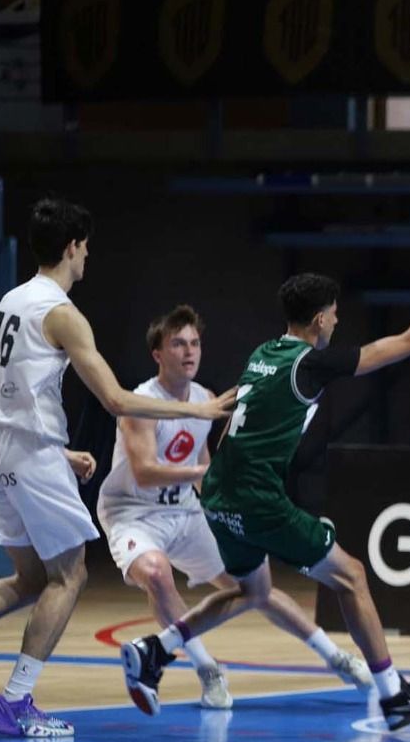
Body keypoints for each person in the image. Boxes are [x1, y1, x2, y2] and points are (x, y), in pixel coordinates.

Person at [118, 228, 410, 733]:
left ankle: (156, 648)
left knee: (254, 591)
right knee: (351, 576)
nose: (337, 320)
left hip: (219, 494)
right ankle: (394, 693)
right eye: (334, 314)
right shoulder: (312, 363)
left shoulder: (263, 353)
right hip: (256, 499)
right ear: (319, 320)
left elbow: (233, 423)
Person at [0, 197, 233, 738]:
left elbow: (11, 396)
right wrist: (198, 411)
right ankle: (15, 701)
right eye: (85, 247)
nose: (87, 256)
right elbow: (117, 400)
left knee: (30, 578)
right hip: (30, 456)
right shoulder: (62, 313)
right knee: (69, 575)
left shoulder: (9, 301)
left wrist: (58, 453)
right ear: (73, 247)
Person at [97, 304, 371, 709]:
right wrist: (207, 474)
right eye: (178, 344)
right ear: (158, 354)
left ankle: (337, 658)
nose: (189, 351)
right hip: (133, 513)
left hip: (185, 511)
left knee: (256, 587)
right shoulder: (142, 402)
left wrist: (223, 502)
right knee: (156, 572)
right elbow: (146, 473)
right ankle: (208, 671)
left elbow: (204, 463)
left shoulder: (206, 399)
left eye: (195, 343)